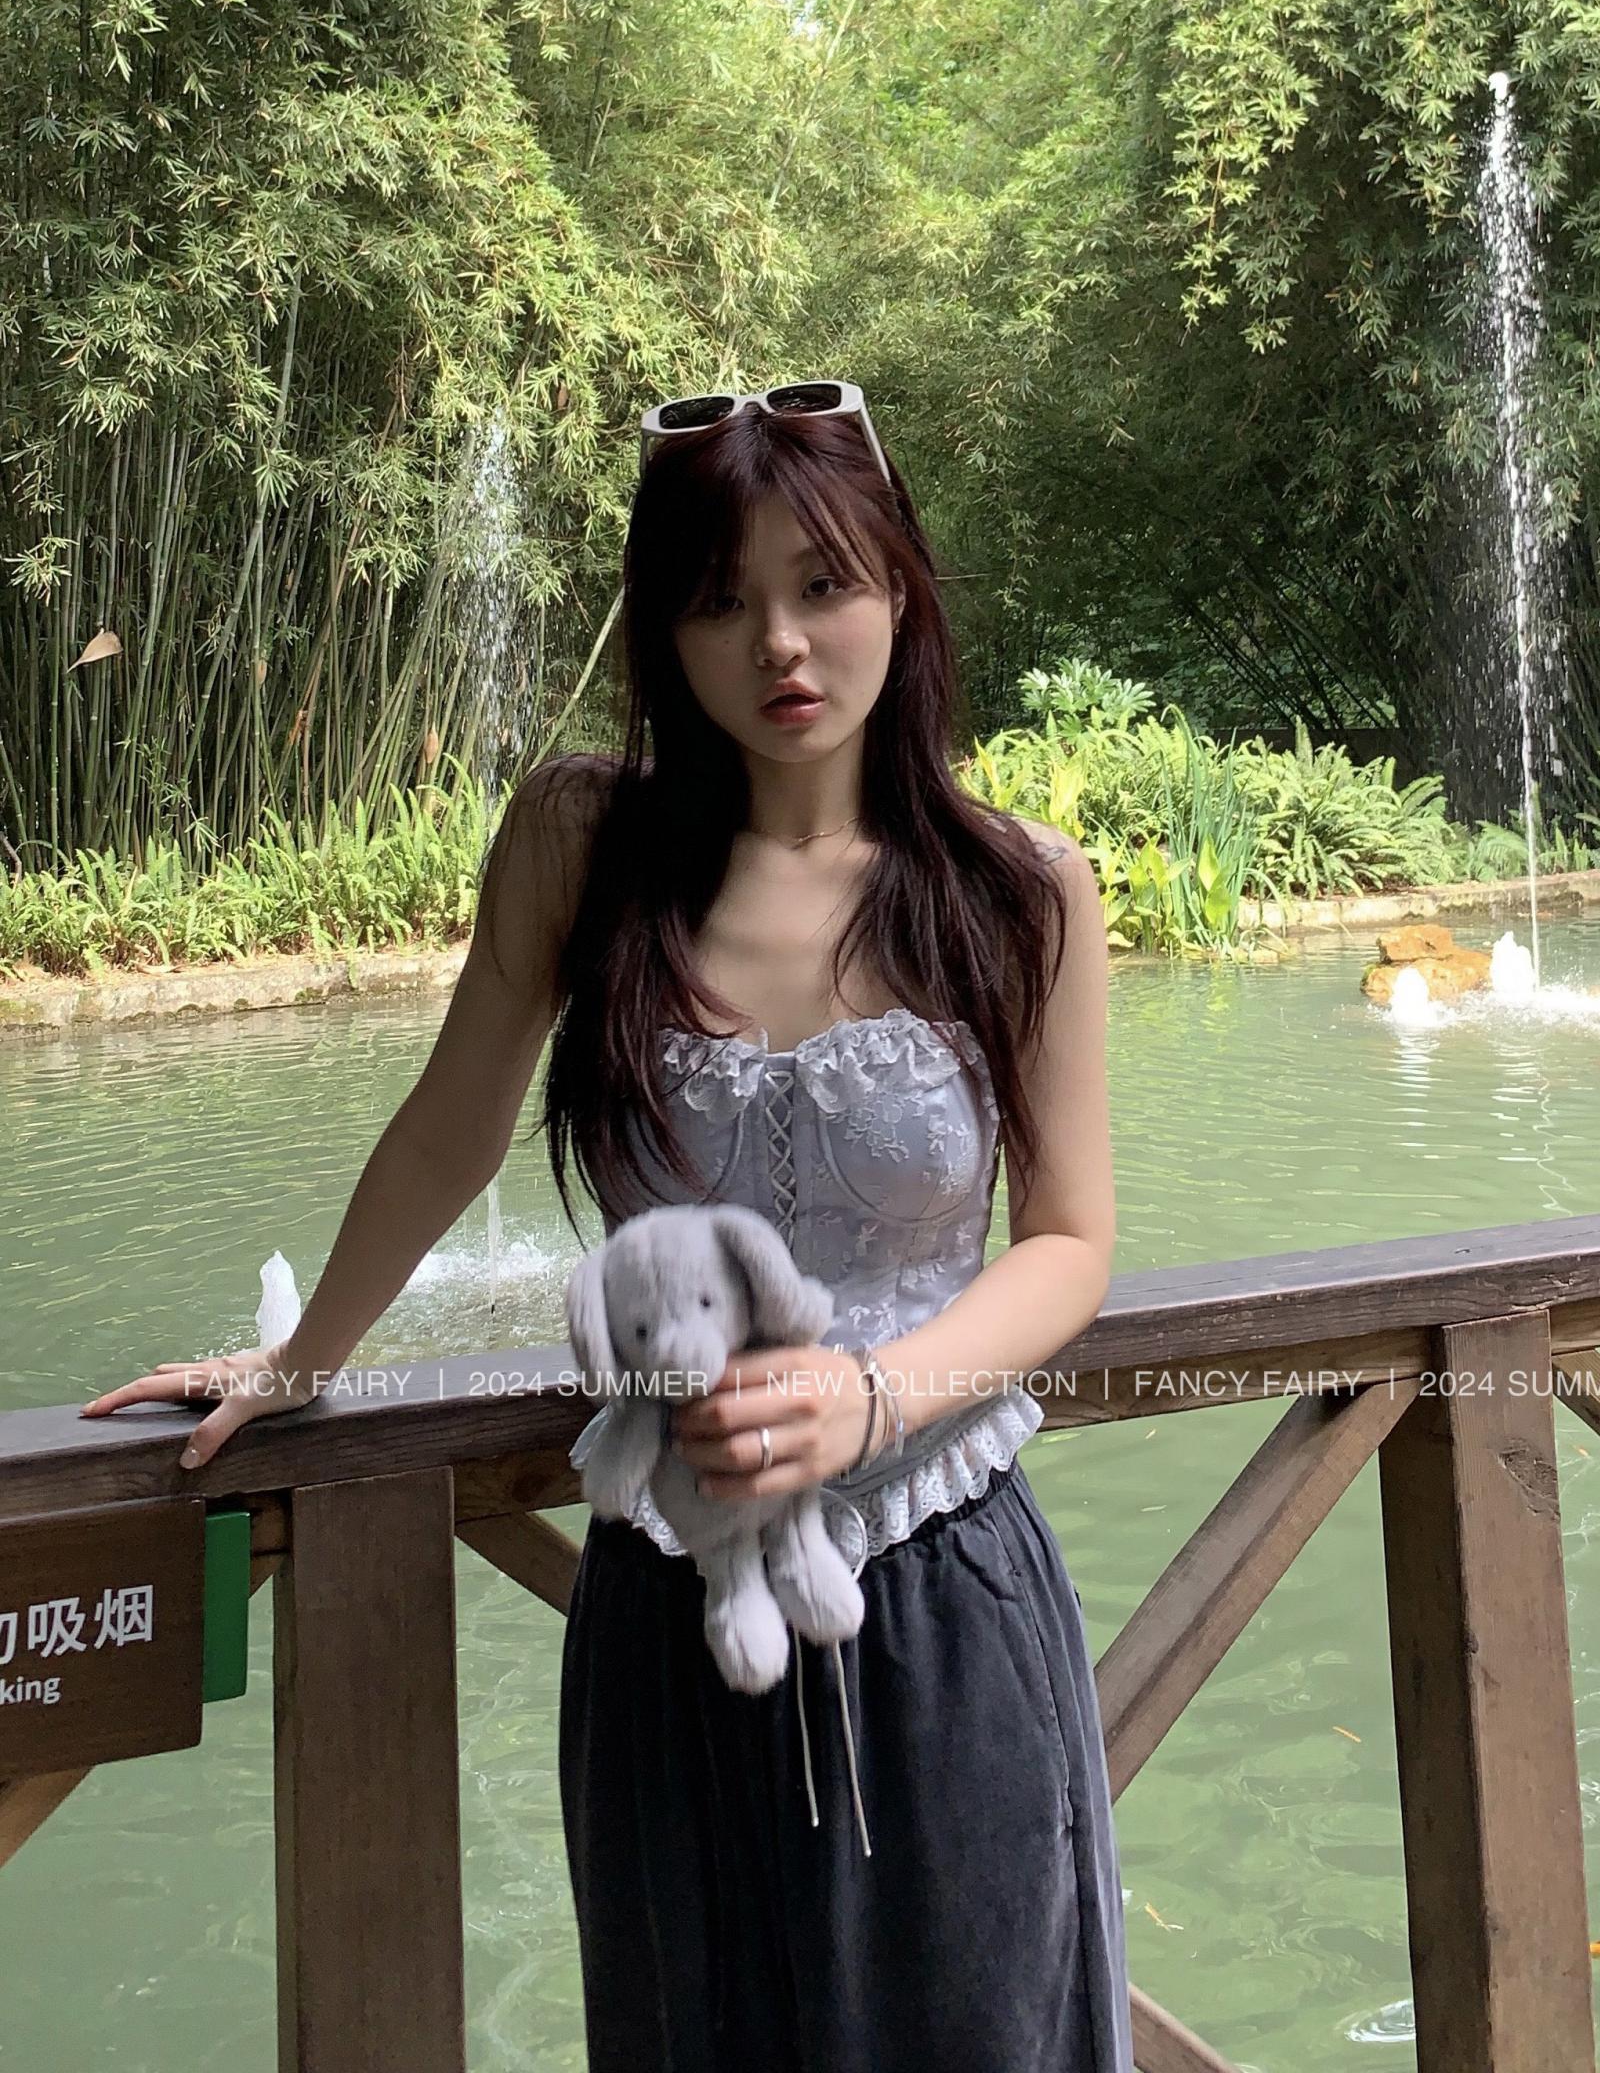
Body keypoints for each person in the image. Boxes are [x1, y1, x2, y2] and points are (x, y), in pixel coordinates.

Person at [79, 381, 1135, 2072]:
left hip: (938, 1592)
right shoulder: (586, 845)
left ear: (900, 586)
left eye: (823, 582)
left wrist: (873, 1398)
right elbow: (448, 1130)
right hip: (663, 1596)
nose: (779, 641)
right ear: (662, 628)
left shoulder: (1018, 891)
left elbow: (1069, 1239)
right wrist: (297, 1361)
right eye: (720, 599)